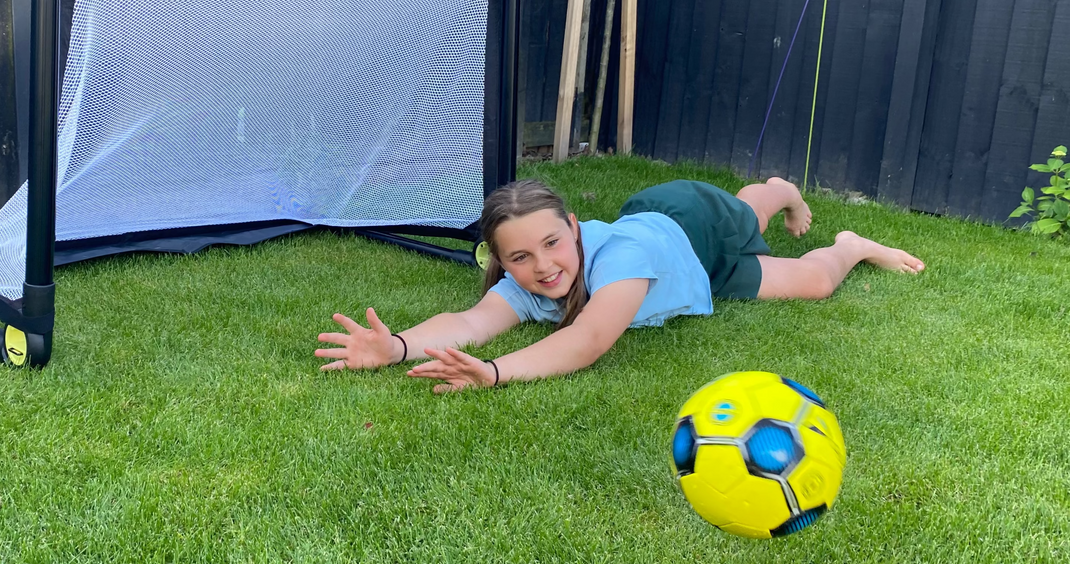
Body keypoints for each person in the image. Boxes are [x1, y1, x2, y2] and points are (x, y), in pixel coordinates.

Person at [316, 177, 923, 393]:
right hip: (700, 279)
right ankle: (832, 248)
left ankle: (802, 206)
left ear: (575, 229)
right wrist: (395, 346)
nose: (545, 267)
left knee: (748, 215)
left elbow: (588, 340)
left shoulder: (621, 257)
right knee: (812, 283)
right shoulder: (530, 280)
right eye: (521, 257)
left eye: (554, 243)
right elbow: (469, 324)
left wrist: (495, 373)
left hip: (688, 225)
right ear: (503, 261)